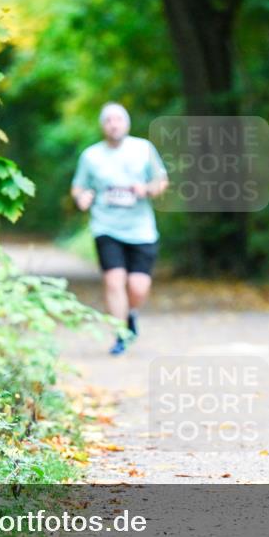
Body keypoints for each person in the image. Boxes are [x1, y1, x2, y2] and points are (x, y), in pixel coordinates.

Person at [71, 102, 169, 355]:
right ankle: (120, 334)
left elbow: (161, 181)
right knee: (114, 281)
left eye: (118, 119)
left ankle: (131, 313)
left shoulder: (143, 149)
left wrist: (146, 189)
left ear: (127, 123)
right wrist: (82, 198)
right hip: (106, 227)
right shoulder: (91, 156)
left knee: (138, 287)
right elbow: (78, 187)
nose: (114, 124)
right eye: (108, 120)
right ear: (103, 126)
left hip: (141, 229)